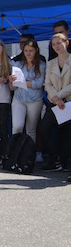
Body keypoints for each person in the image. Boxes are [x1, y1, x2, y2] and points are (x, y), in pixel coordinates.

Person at [41, 33, 71, 180]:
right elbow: (47, 83)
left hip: (68, 102)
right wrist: (55, 97)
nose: (56, 46)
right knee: (44, 128)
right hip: (54, 103)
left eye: (59, 43)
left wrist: (59, 96)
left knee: (66, 134)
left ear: (66, 43)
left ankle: (65, 162)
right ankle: (55, 158)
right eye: (54, 44)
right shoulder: (51, 62)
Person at [9, 39, 46, 148]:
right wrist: (12, 81)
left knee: (31, 129)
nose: (28, 53)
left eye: (31, 50)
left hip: (35, 100)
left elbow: (38, 84)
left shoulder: (42, 65)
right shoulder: (17, 64)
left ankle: (29, 156)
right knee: (17, 127)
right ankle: (14, 154)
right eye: (26, 50)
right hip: (19, 98)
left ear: (36, 51)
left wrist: (22, 82)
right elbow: (13, 87)